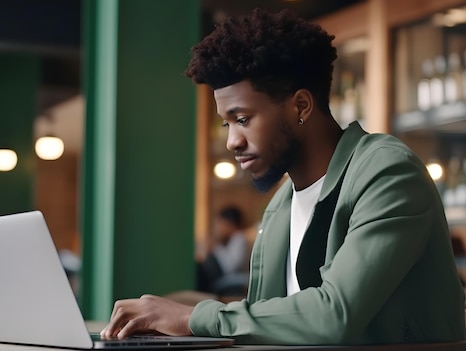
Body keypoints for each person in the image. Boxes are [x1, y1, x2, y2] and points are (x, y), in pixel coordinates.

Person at [100, 8, 466, 345]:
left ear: (301, 106)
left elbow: (334, 314)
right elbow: (268, 326)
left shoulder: (386, 172)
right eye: (226, 123)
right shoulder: (281, 206)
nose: (232, 141)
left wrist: (194, 317)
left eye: (242, 119)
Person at [196, 205, 249, 295]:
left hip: (229, 278)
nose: (218, 228)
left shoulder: (239, 238)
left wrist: (215, 247)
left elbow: (230, 267)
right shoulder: (228, 240)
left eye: (220, 223)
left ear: (229, 223)